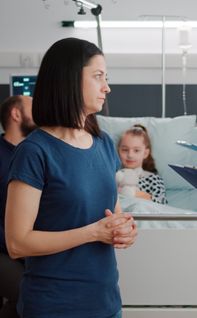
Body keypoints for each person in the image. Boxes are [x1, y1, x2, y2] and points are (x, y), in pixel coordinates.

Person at [5, 38, 137, 318]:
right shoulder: (35, 151)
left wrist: (123, 230)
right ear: (69, 80)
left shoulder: (102, 144)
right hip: (55, 306)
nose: (107, 87)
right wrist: (94, 232)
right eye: (98, 76)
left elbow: (112, 215)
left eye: (107, 77)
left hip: (106, 303)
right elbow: (17, 243)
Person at [0, 95, 36, 318]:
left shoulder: (33, 153)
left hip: (28, 247)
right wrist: (19, 246)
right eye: (34, 107)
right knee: (28, 292)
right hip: (5, 247)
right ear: (16, 114)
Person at [116, 124, 167, 204]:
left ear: (146, 153)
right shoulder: (114, 177)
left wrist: (132, 193)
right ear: (118, 151)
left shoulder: (153, 179)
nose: (130, 155)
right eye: (125, 150)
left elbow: (162, 205)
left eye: (136, 150)